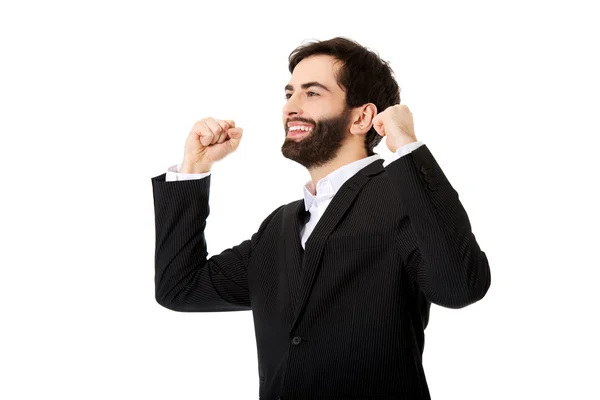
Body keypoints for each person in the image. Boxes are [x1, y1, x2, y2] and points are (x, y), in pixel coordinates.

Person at [150, 36, 491, 400]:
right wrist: (194, 168)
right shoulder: (277, 229)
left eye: (311, 93)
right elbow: (179, 288)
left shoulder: (401, 198)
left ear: (362, 117)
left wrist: (407, 145)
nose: (291, 108)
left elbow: (460, 287)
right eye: (289, 94)